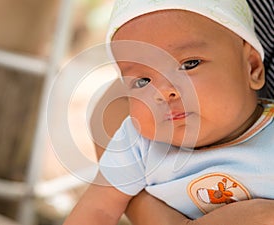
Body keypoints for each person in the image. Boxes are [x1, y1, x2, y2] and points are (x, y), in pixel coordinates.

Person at [64, 0, 274, 224]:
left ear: (252, 67)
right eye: (143, 81)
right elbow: (98, 210)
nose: (164, 91)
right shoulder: (138, 145)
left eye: (190, 64)